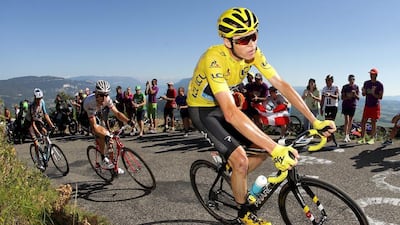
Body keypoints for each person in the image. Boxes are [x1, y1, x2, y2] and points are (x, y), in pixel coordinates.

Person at [186, 7, 336, 225]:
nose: (252, 44)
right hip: (202, 109)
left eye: (254, 35)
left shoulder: (253, 54)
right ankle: (244, 214)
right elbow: (230, 113)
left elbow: (281, 84)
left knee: (262, 151)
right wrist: (276, 149)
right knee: (244, 159)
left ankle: (234, 172)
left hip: (224, 102)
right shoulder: (214, 58)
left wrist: (315, 120)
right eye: (244, 39)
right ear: (228, 42)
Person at [83, 80, 134, 174]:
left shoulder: (107, 99)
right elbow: (94, 126)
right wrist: (105, 136)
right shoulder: (89, 102)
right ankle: (103, 158)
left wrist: (128, 121)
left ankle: (114, 166)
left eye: (106, 94)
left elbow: (117, 113)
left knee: (109, 140)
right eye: (102, 95)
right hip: (86, 117)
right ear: (96, 94)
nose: (104, 97)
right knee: (105, 136)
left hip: (97, 113)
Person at [25, 88, 55, 171]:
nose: (39, 101)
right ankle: (38, 161)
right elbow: (33, 123)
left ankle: (48, 148)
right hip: (30, 123)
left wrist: (51, 125)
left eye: (40, 98)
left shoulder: (42, 102)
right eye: (37, 99)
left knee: (45, 132)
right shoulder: (32, 107)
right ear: (35, 98)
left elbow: (45, 114)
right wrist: (38, 133)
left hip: (37, 120)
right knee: (36, 142)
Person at [358, 68, 384, 145]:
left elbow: (380, 97)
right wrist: (363, 91)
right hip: (367, 105)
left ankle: (372, 138)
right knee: (363, 122)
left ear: (376, 75)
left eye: (372, 74)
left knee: (373, 122)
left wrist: (373, 93)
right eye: (370, 74)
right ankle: (363, 138)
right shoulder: (366, 83)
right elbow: (363, 94)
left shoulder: (379, 84)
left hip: (375, 105)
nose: (370, 75)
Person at [320, 75, 340, 147]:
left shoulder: (335, 88)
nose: (327, 81)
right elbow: (322, 100)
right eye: (326, 80)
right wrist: (321, 108)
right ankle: (328, 138)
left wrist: (330, 95)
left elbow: (336, 97)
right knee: (327, 124)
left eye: (328, 80)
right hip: (327, 107)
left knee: (331, 124)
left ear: (332, 81)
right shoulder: (324, 88)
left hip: (333, 107)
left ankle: (335, 141)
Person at [341, 74, 360, 143]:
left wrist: (355, 95)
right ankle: (345, 135)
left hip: (353, 105)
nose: (352, 81)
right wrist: (348, 97)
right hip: (346, 105)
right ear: (348, 80)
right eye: (351, 79)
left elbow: (358, 98)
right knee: (346, 120)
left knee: (351, 121)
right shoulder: (345, 87)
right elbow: (342, 98)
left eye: (353, 79)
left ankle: (348, 135)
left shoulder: (356, 87)